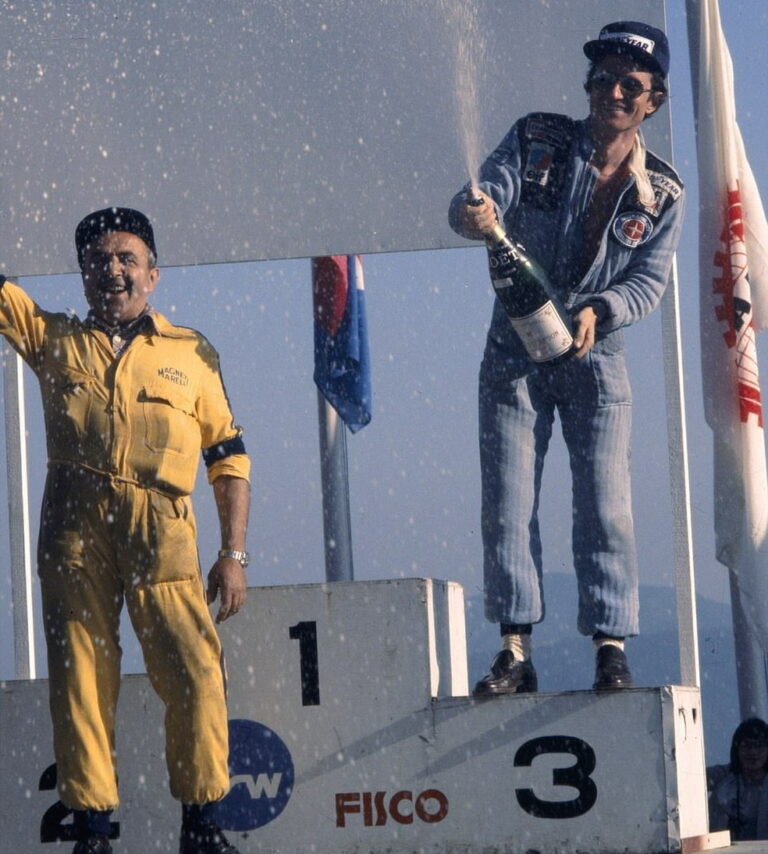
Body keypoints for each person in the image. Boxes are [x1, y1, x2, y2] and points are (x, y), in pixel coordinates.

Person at [0, 207, 250, 853]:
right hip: (74, 529)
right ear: (83, 275)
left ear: (152, 274)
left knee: (194, 670)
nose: (113, 270)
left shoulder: (191, 351)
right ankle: (91, 830)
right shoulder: (52, 338)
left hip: (162, 529)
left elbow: (228, 458)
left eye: (126, 259)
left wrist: (233, 552)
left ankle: (202, 824)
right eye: (99, 260)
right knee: (80, 675)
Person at [448, 22, 684, 694]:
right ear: (588, 84)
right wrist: (475, 212)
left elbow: (649, 282)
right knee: (507, 500)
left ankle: (611, 645)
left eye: (631, 84)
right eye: (604, 78)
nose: (614, 92)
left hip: (597, 353)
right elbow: (482, 197)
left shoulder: (663, 191)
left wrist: (599, 311)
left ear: (654, 101)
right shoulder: (537, 139)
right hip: (515, 341)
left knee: (606, 505)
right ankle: (514, 649)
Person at [708, 718, 768, 840]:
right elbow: (690, 778)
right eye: (746, 745)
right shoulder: (724, 777)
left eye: (759, 745)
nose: (753, 752)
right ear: (737, 749)